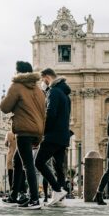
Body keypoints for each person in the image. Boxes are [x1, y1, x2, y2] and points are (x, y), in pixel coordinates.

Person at [0, 61, 46, 209]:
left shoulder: (17, 86)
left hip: (24, 130)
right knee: (18, 161)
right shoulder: (39, 90)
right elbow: (42, 113)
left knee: (28, 164)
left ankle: (34, 199)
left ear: (19, 72)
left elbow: (5, 107)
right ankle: (14, 195)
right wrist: (40, 135)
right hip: (37, 129)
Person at [34, 68, 71, 207]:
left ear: (47, 77)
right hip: (63, 136)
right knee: (58, 167)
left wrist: (43, 131)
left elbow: (50, 114)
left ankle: (56, 189)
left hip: (53, 135)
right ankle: (59, 198)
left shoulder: (53, 92)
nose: (42, 83)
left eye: (42, 80)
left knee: (39, 162)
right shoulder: (65, 94)